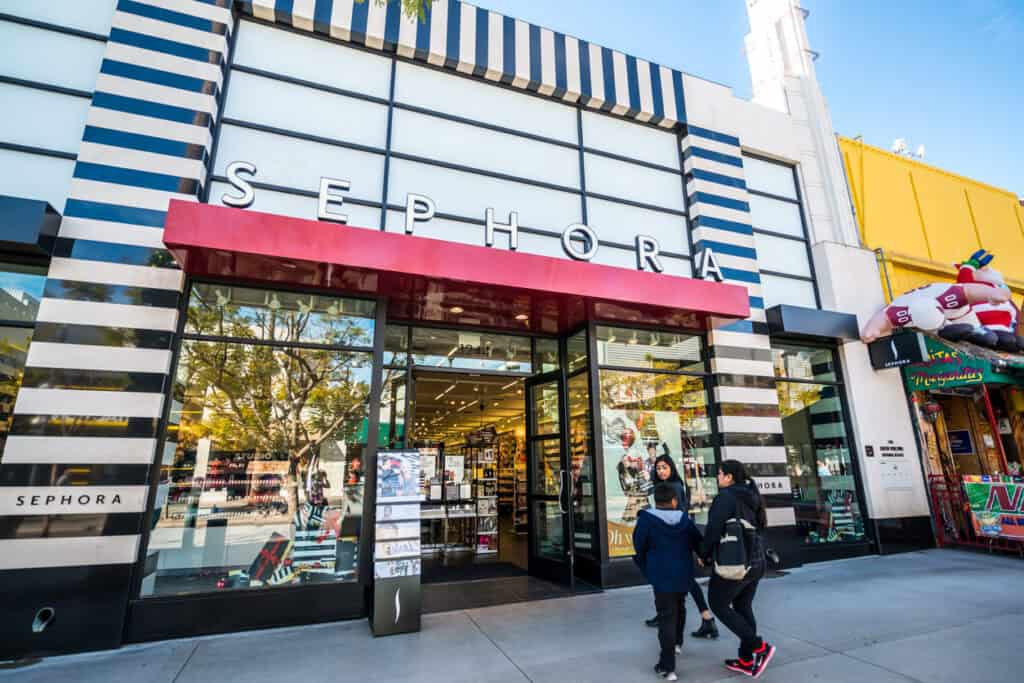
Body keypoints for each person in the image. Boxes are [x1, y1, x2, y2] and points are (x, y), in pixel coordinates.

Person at [702, 460, 776, 678]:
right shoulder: (751, 495)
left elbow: (714, 530)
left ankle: (759, 648)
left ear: (729, 477)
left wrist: (703, 554)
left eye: (720, 474)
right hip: (756, 562)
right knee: (743, 607)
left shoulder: (725, 498)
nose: (718, 477)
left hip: (735, 564)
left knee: (718, 603)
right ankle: (745, 660)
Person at [643, 455, 719, 639]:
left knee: (685, 579)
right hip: (673, 538)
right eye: (658, 467)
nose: (661, 471)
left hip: (675, 538)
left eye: (664, 467)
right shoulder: (662, 486)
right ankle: (703, 618)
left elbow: (678, 514)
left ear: (671, 468)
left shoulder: (674, 487)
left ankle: (706, 618)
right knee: (682, 579)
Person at [633, 482, 703, 681]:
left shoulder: (646, 520)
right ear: (674, 501)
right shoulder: (685, 519)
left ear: (656, 501)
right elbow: (698, 542)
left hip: (661, 576)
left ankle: (667, 666)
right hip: (683, 574)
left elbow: (639, 546)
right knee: (680, 608)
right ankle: (677, 643)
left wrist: (647, 567)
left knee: (666, 617)